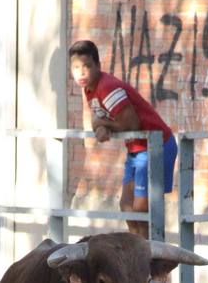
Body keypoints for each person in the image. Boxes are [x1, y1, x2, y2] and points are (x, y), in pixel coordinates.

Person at [68, 39, 177, 237]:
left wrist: (106, 126)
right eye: (76, 68)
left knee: (141, 209)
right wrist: (100, 126)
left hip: (156, 145)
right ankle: (138, 251)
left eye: (87, 66)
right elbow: (96, 117)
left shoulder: (107, 87)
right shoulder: (90, 88)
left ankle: (150, 259)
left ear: (98, 66)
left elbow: (132, 124)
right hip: (137, 149)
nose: (81, 72)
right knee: (126, 204)